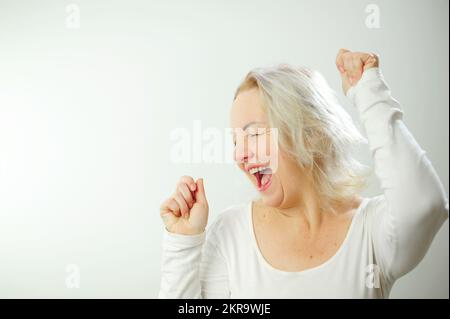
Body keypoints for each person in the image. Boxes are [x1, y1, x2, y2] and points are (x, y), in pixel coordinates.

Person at [158, 49, 449, 298]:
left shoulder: (371, 229)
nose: (238, 155)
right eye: (235, 141)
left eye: (254, 134)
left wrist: (369, 92)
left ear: (310, 135)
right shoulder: (230, 233)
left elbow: (425, 205)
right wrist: (183, 245)